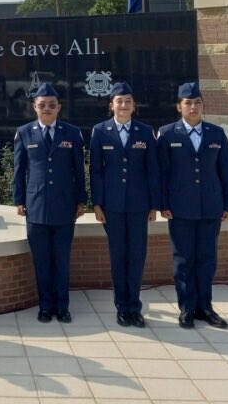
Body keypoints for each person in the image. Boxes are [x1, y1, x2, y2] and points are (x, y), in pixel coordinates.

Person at [158, 82, 228, 329]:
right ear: (179, 107)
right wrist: (163, 204)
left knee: (207, 258)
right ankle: (187, 308)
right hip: (179, 208)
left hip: (210, 207)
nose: (193, 107)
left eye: (197, 103)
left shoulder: (216, 133)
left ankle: (206, 307)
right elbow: (162, 173)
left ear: (203, 106)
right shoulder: (168, 133)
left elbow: (226, 171)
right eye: (188, 103)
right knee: (183, 259)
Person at [89, 81, 161, 328]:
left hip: (139, 206)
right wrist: (97, 204)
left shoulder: (144, 131)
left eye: (128, 101)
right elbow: (96, 171)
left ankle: (135, 307)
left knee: (137, 256)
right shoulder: (100, 131)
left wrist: (154, 204)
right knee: (119, 257)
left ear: (134, 106)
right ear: (111, 105)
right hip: (112, 206)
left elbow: (153, 170)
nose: (123, 105)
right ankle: (122, 307)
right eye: (119, 101)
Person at [13, 82, 86, 323]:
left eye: (51, 105)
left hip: (65, 206)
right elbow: (19, 170)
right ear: (34, 107)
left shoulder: (72, 132)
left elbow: (79, 170)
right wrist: (19, 200)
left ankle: (62, 307)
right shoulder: (24, 132)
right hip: (35, 207)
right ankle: (45, 306)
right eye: (42, 105)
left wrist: (81, 200)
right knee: (42, 261)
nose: (47, 109)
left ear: (59, 108)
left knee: (62, 260)